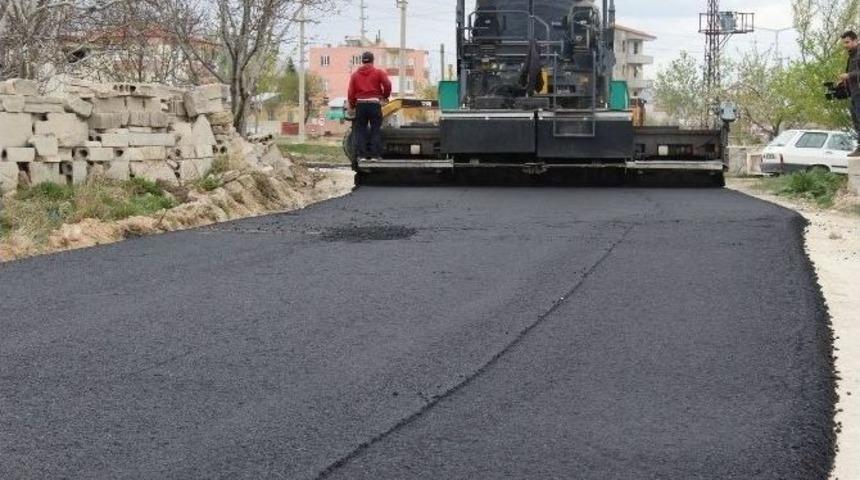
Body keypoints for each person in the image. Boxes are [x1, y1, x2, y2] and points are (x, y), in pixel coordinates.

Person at [348, 51, 392, 162]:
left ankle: (361, 156)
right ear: (373, 61)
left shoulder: (355, 75)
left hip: (360, 105)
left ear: (362, 61)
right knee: (375, 129)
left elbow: (351, 92)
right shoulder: (379, 73)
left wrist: (352, 105)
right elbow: (387, 84)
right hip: (374, 104)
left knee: (361, 130)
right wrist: (384, 96)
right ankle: (375, 156)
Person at [838, 30, 860, 157]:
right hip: (854, 93)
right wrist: (843, 82)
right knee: (856, 121)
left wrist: (848, 75)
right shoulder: (852, 55)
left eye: (847, 42)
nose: (845, 45)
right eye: (844, 43)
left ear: (855, 40)